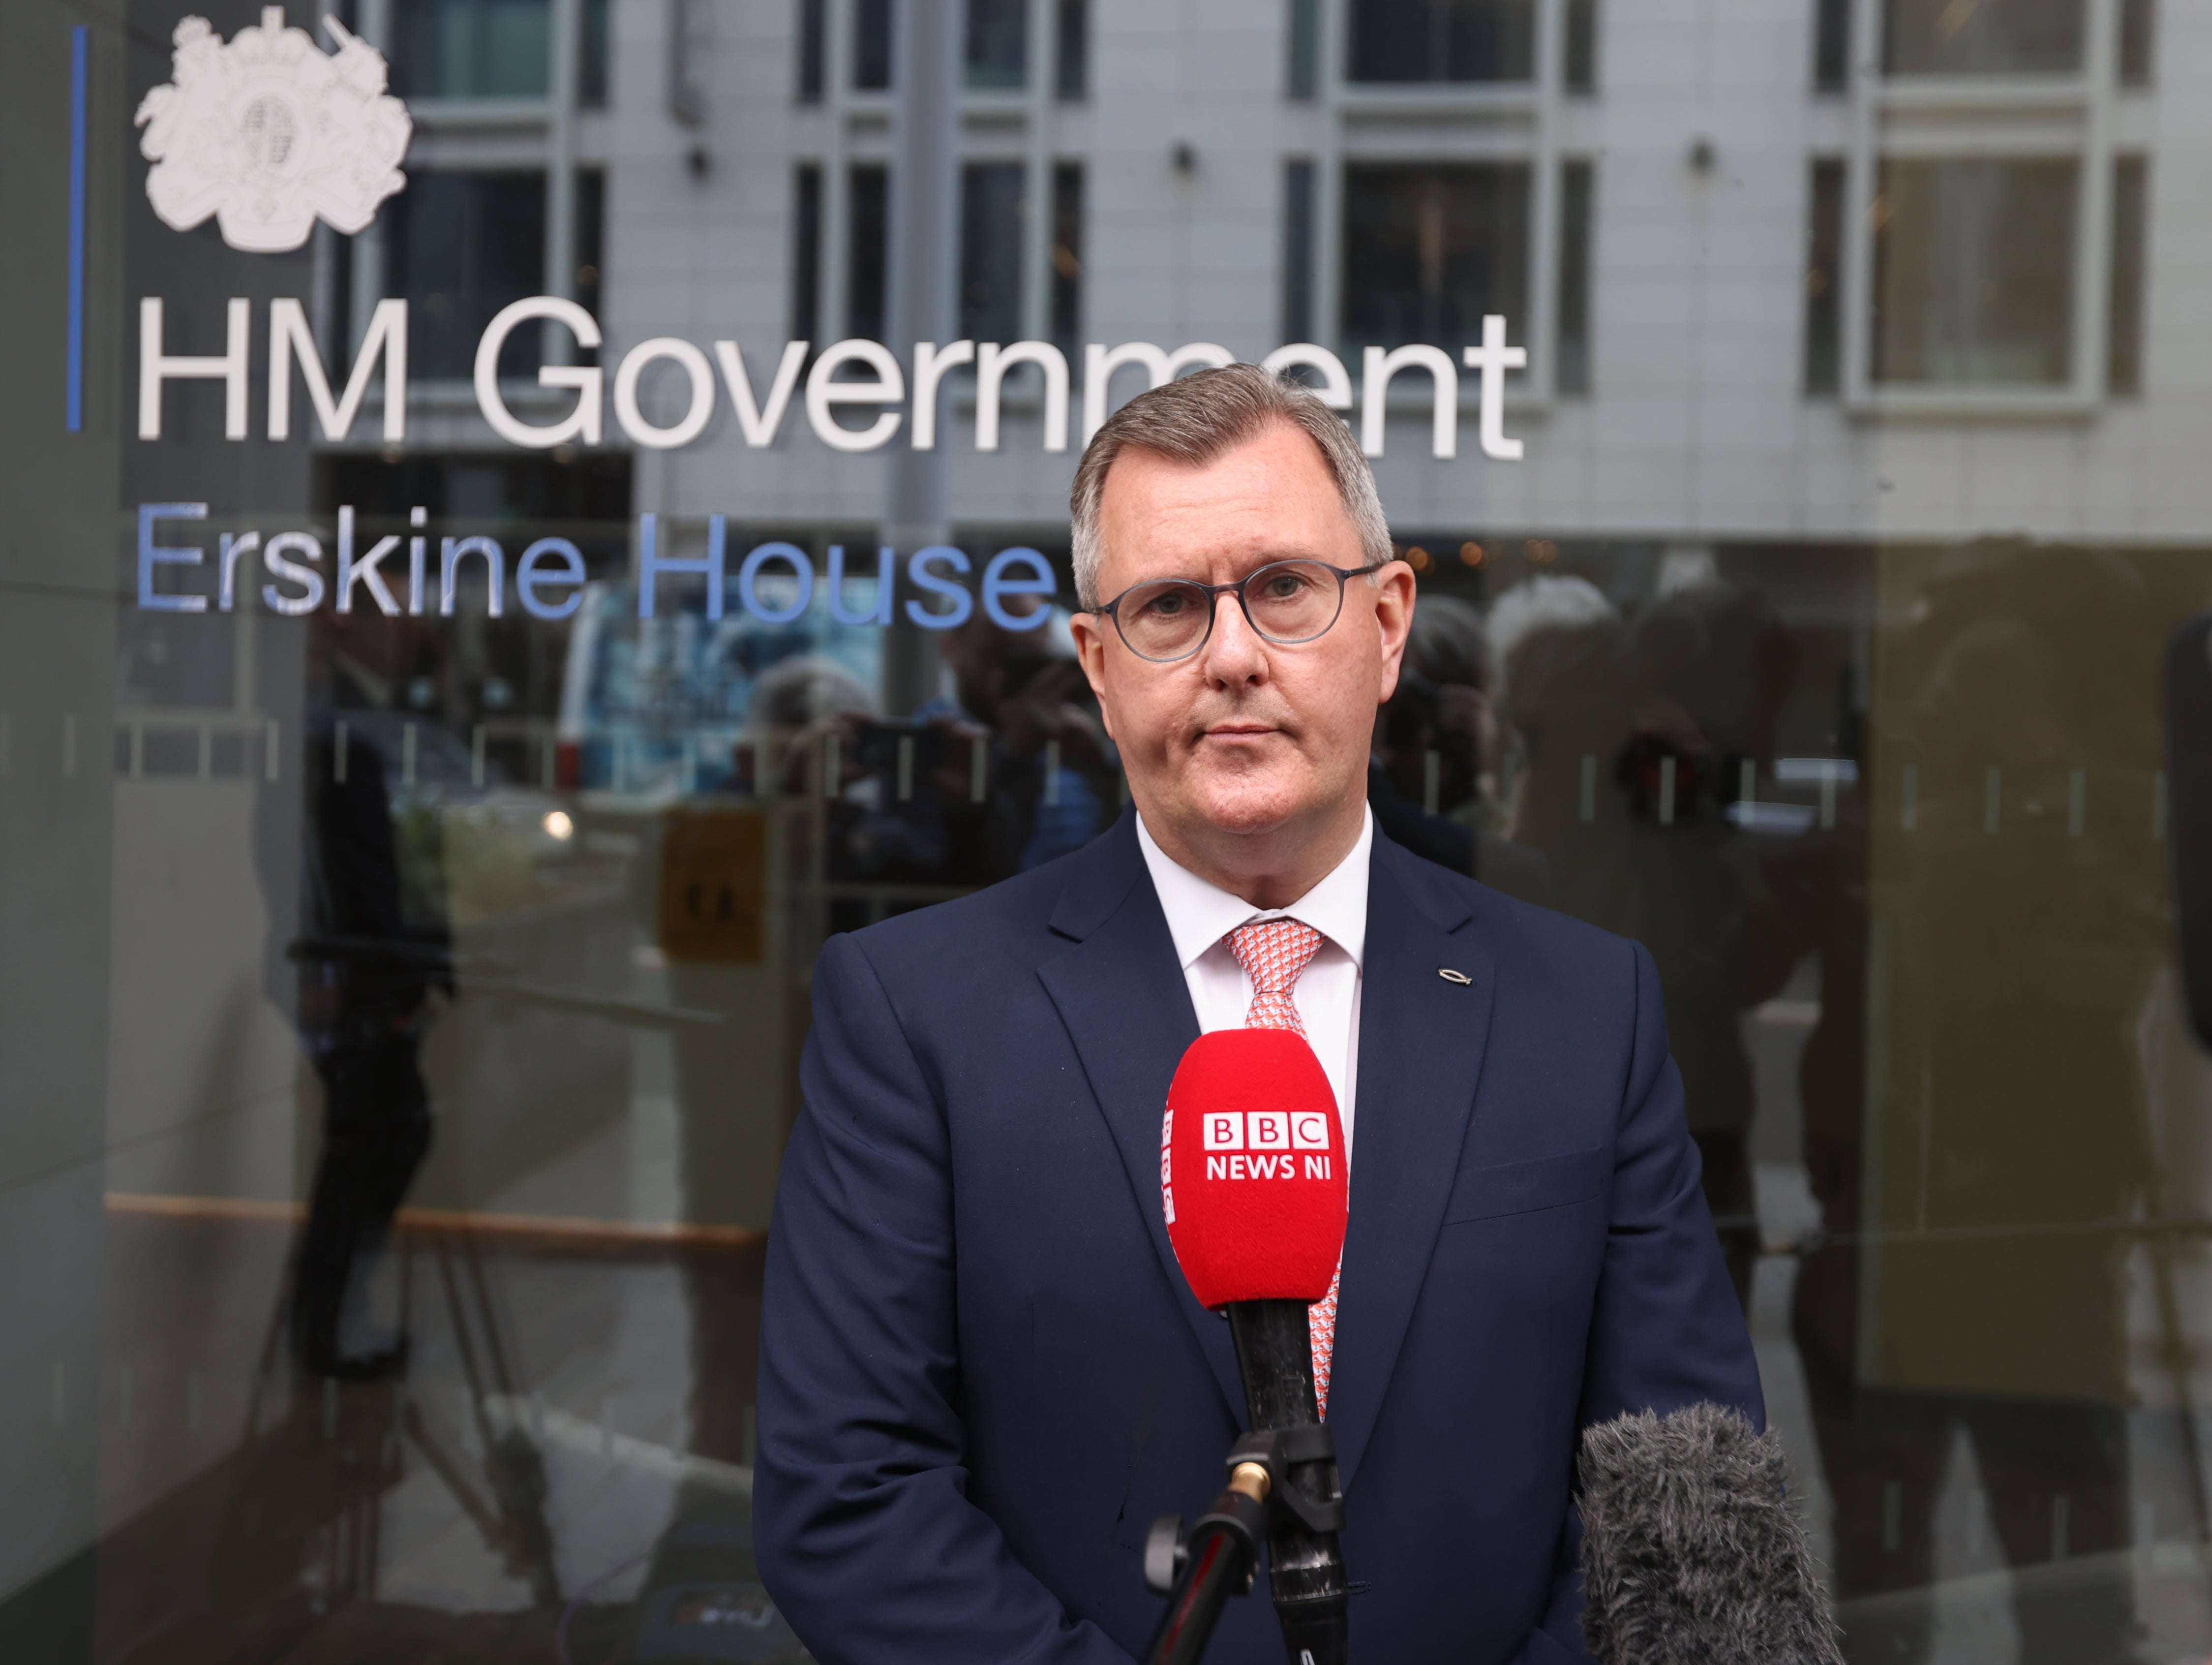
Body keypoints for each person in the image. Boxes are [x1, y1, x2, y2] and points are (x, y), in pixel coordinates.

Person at [755, 365, 1761, 1663]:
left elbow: (1690, 1520)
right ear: (1097, 665)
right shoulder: (912, 1016)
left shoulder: (1584, 1009)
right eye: (1167, 606)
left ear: (1388, 623)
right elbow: (850, 1502)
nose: (1232, 654)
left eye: (1285, 588)